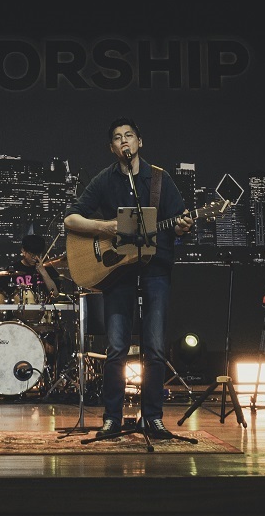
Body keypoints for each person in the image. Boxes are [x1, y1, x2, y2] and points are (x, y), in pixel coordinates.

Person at [63, 118, 193, 440]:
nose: (125, 141)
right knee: (117, 347)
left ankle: (153, 417)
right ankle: (112, 418)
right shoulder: (105, 180)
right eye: (118, 138)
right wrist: (106, 227)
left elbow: (179, 222)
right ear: (112, 148)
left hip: (155, 270)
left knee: (155, 347)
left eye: (129, 136)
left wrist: (182, 227)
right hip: (118, 274)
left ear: (139, 142)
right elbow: (71, 219)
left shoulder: (159, 179)